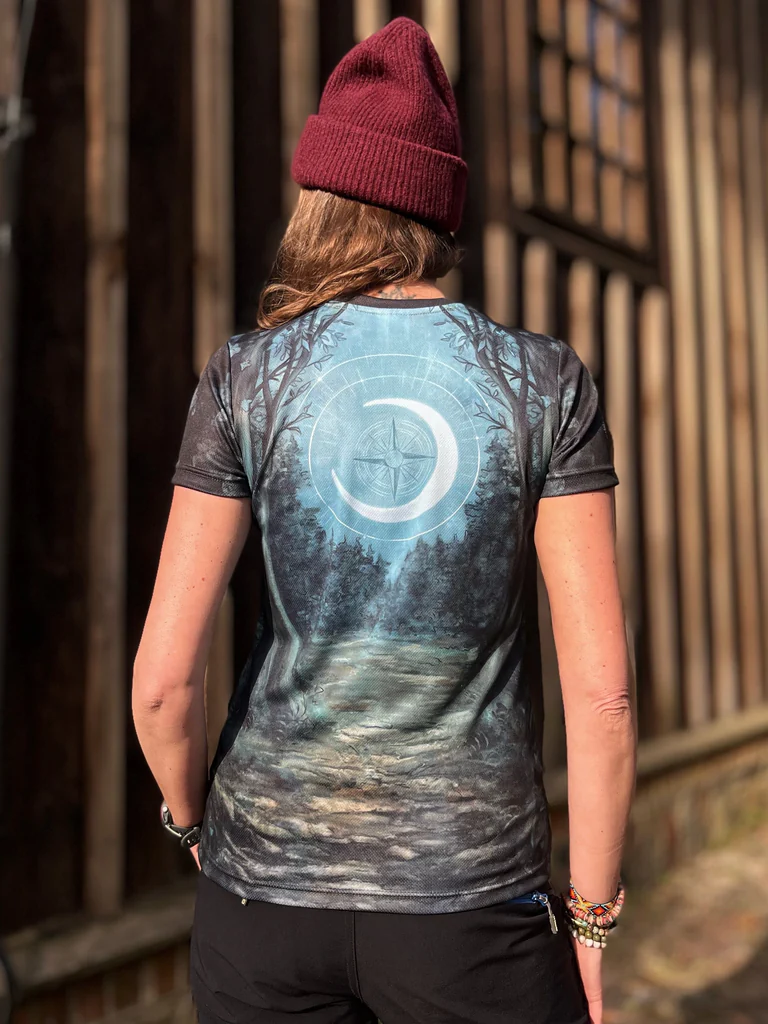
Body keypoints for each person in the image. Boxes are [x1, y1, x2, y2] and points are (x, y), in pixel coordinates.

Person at [132, 17, 637, 1024]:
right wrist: (589, 919)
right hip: (474, 918)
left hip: (260, 908)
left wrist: (192, 822)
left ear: (320, 194)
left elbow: (161, 682)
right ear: (439, 205)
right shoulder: (542, 383)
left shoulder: (245, 377)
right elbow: (605, 697)